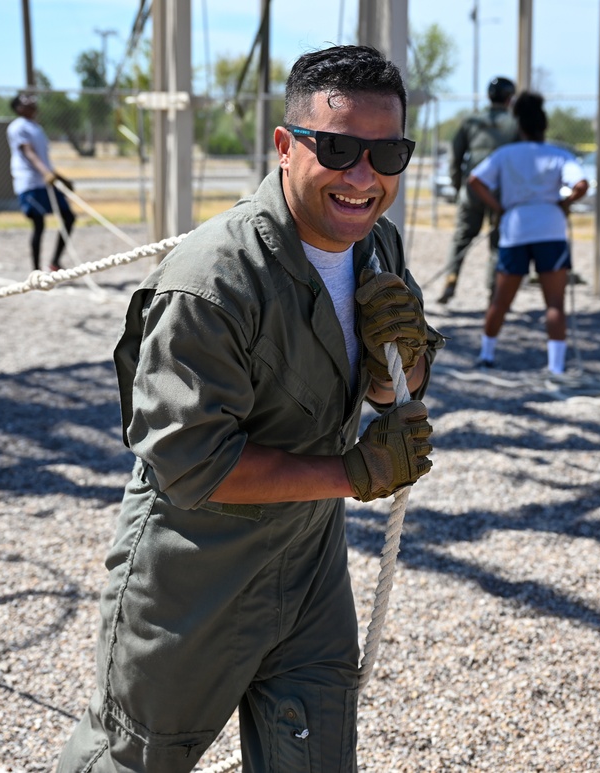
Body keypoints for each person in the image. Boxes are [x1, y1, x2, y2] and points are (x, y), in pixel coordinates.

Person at [57, 45, 444, 773]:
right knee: (137, 757)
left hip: (310, 564)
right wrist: (355, 472)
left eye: (387, 152)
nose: (364, 176)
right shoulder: (213, 280)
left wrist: (402, 358)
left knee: (316, 757)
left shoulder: (378, 245)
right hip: (195, 571)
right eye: (338, 148)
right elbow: (191, 464)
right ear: (285, 145)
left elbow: (396, 383)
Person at [467, 91, 588, 375]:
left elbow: (475, 180)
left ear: (519, 125)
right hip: (551, 227)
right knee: (555, 302)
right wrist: (565, 202)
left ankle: (487, 356)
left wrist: (500, 207)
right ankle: (556, 368)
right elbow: (581, 184)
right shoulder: (559, 154)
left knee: (501, 299)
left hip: (515, 226)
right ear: (544, 126)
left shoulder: (505, 154)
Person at [436, 76, 520, 304]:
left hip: (471, 189)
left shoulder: (471, 121)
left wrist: (458, 187)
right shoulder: (516, 122)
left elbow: (455, 156)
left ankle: (450, 282)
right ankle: (494, 292)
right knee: (499, 241)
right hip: (501, 193)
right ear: (510, 98)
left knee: (462, 237)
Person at [6, 92, 76, 272]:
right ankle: (36, 272)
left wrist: (60, 178)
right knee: (39, 224)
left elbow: (43, 158)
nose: (32, 101)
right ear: (18, 108)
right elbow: (28, 153)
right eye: (25, 100)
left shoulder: (36, 127)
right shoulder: (18, 127)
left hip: (45, 181)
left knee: (68, 217)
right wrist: (47, 174)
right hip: (30, 182)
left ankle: (54, 263)